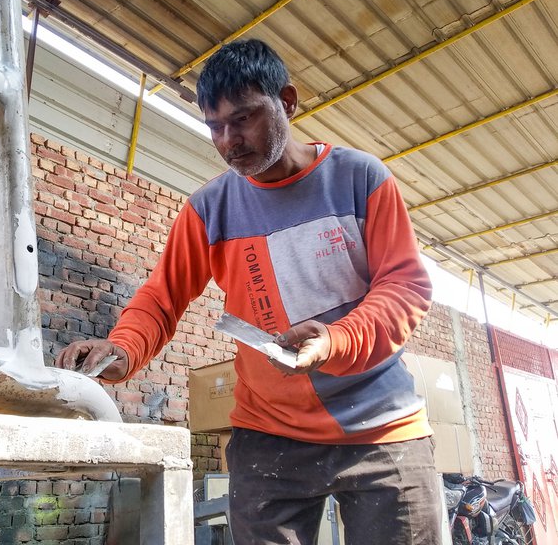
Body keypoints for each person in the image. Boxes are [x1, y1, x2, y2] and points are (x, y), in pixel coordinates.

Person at [57, 39, 441, 544]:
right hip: (269, 435)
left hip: (381, 429)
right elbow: (162, 297)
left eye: (243, 119)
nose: (228, 140)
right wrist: (122, 348)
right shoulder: (209, 209)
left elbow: (405, 287)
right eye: (214, 126)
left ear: (287, 101)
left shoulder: (359, 179)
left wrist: (334, 340)